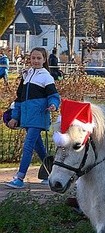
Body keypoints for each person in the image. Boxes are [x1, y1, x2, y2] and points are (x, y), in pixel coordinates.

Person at [4, 47, 61, 189]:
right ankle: (50, 174)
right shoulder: (26, 75)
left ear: (44, 60)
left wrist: (53, 105)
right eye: (33, 58)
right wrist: (15, 116)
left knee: (28, 145)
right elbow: (19, 99)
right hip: (26, 118)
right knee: (38, 146)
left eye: (39, 58)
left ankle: (20, 177)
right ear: (30, 59)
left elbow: (53, 95)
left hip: (38, 117)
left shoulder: (46, 76)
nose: (35, 61)